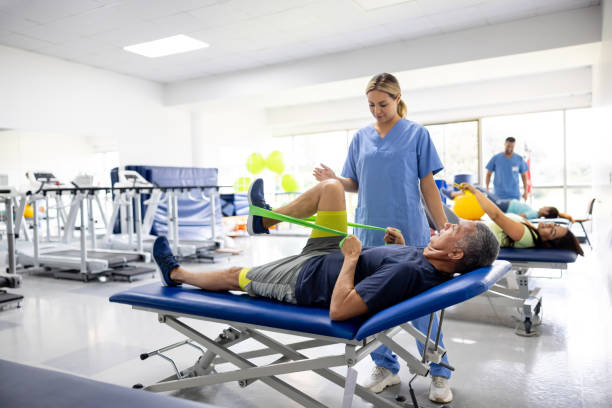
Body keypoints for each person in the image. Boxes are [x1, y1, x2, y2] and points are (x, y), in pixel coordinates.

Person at [153, 177, 499, 332]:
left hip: (307, 279)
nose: (444, 227)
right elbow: (390, 269)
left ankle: (176, 274)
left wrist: (351, 258)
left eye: (453, 230)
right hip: (325, 255)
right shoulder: (425, 262)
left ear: (455, 254)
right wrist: (396, 247)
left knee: (236, 275)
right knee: (331, 187)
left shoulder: (410, 272)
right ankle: (266, 219)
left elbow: (339, 310)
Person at [312, 72, 453, 402]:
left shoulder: (417, 134)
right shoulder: (361, 137)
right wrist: (335, 179)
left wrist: (443, 225)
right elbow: (354, 183)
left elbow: (428, 186)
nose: (377, 110)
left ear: (398, 98)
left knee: (422, 306)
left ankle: (439, 370)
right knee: (369, 302)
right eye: (371, 104)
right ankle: (385, 367)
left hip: (408, 230)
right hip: (369, 230)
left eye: (383, 104)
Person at [460, 183, 584, 255]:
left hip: (467, 235)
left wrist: (475, 192)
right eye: (555, 225)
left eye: (552, 232)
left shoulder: (526, 236)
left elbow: (496, 216)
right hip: (470, 228)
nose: (551, 225)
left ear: (547, 243)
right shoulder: (532, 229)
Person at [444, 186, 574, 221]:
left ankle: (452, 194)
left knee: (480, 191)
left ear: (546, 212)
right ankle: (453, 194)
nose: (544, 206)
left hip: (504, 206)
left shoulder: (534, 214)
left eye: (546, 207)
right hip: (505, 204)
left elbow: (521, 216)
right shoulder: (535, 213)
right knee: (480, 192)